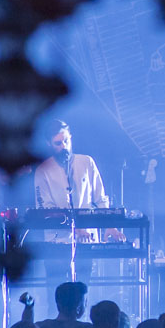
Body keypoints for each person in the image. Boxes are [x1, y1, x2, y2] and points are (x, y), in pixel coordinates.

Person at [33, 119, 123, 284]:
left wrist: (110, 226)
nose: (64, 146)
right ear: (49, 144)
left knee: (83, 289)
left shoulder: (86, 162)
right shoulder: (42, 170)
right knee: (56, 290)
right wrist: (74, 228)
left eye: (66, 141)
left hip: (85, 241)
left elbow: (100, 199)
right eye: (58, 143)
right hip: (57, 242)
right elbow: (45, 208)